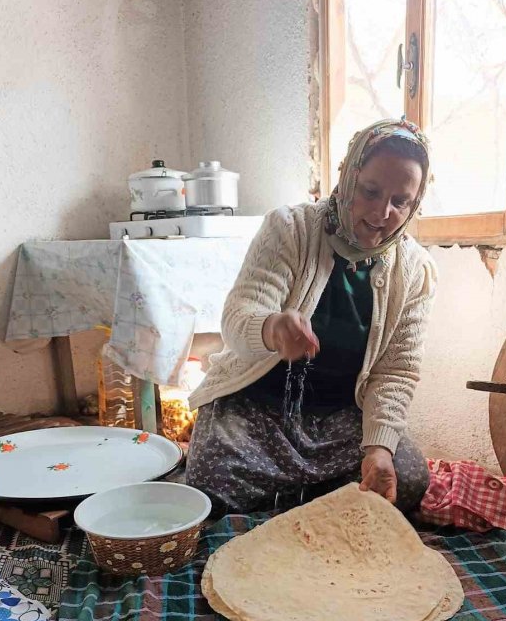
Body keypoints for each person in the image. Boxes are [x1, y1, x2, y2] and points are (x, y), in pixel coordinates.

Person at [187, 117, 436, 517]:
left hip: (337, 419)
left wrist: (378, 448)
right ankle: (312, 502)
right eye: (370, 191)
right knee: (209, 486)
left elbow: (395, 372)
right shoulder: (290, 229)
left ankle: (287, 505)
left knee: (404, 476)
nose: (382, 212)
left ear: (414, 203)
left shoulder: (416, 271)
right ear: (347, 178)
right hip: (257, 408)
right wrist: (270, 328)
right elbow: (238, 318)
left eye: (400, 201)